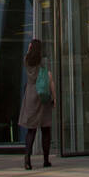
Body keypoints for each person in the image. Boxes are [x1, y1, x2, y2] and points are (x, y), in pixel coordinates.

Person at [18, 37, 54, 169]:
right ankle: (46, 159)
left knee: (31, 130)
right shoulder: (42, 62)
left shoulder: (26, 60)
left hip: (31, 94)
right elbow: (48, 77)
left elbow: (29, 53)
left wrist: (30, 48)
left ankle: (27, 159)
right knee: (46, 129)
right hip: (42, 93)